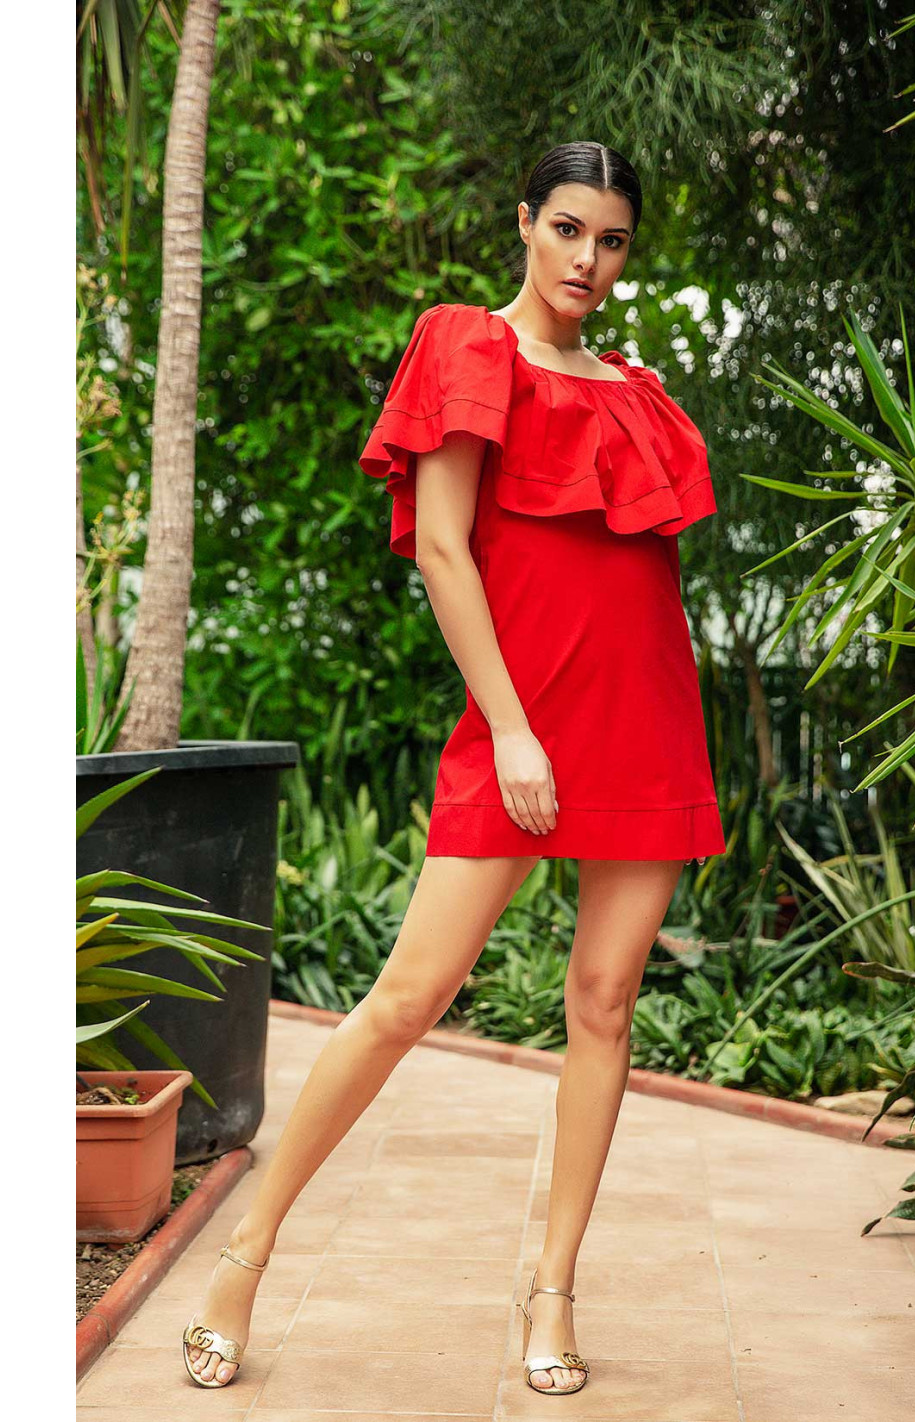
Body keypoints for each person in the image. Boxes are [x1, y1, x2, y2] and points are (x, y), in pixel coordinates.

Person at [182, 139, 724, 1399]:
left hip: (644, 718)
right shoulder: (467, 347)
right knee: (408, 995)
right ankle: (246, 1257)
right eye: (568, 230)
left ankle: (554, 1288)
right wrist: (514, 727)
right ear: (525, 222)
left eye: (611, 241)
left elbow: (640, 577)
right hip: (518, 724)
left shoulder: (636, 392)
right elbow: (440, 547)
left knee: (604, 1004)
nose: (587, 260)